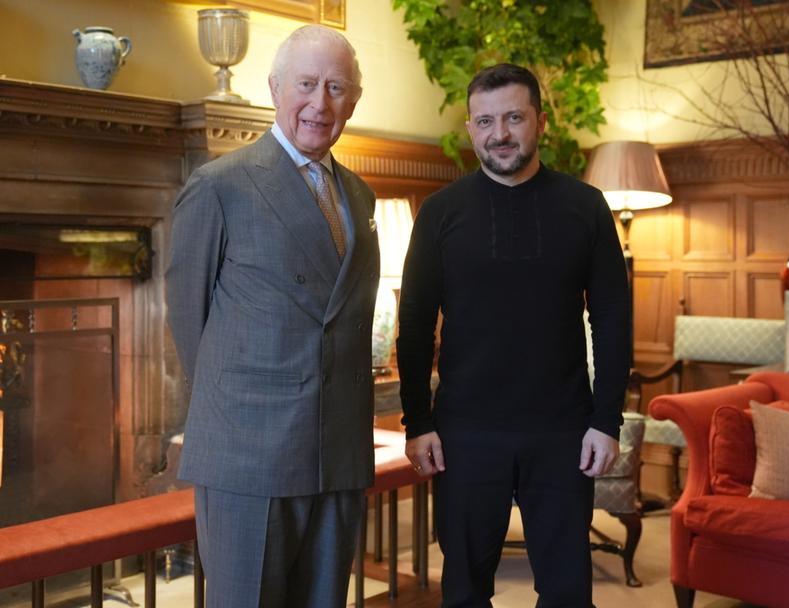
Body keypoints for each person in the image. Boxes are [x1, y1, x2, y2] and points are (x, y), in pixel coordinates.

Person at [396, 63, 630, 608]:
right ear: (471, 129)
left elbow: (613, 320)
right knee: (463, 592)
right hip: (464, 434)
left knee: (569, 593)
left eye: (513, 118)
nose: (498, 133)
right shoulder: (439, 214)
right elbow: (413, 324)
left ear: (539, 123)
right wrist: (418, 421)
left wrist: (606, 419)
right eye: (484, 121)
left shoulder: (586, 207)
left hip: (564, 432)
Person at [166, 25, 380, 608]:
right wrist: (235, 411)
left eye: (337, 88)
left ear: (354, 101)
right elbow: (190, 319)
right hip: (248, 453)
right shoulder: (219, 185)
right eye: (307, 84)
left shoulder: (360, 195)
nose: (321, 103)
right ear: (275, 88)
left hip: (337, 450)